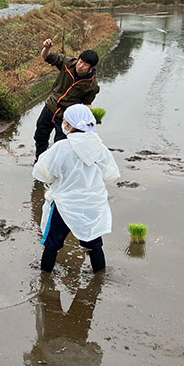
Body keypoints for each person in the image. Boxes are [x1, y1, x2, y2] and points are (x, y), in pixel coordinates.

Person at [33, 104, 120, 273]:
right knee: (94, 243)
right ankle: (99, 280)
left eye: (65, 121)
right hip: (91, 204)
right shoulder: (99, 147)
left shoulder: (62, 147)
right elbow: (110, 174)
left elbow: (42, 172)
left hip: (64, 203)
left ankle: (45, 281)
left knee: (52, 244)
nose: (63, 123)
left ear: (71, 125)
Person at [34, 38, 100, 162]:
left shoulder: (91, 85)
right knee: (40, 135)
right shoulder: (67, 63)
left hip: (66, 116)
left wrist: (92, 119)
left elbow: (87, 104)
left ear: (91, 68)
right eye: (80, 61)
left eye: (85, 65)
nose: (80, 66)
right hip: (50, 106)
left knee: (61, 144)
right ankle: (39, 161)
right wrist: (47, 47)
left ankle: (56, 167)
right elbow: (46, 56)